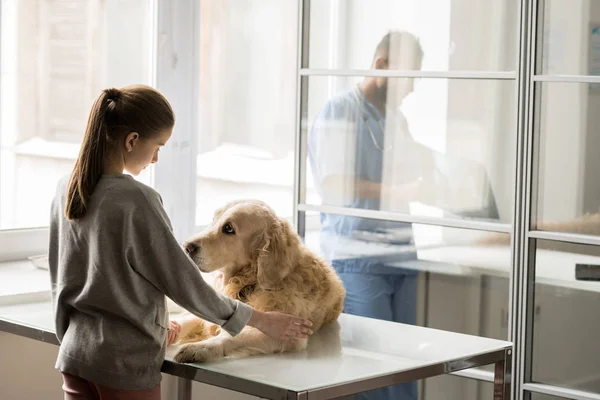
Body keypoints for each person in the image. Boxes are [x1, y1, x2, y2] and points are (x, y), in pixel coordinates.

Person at [49, 85, 313, 400]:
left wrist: (155, 326)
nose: (157, 158)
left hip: (75, 356)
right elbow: (184, 283)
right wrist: (263, 320)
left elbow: (61, 278)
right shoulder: (137, 200)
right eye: (158, 146)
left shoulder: (66, 187)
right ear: (132, 140)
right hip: (123, 364)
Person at [308, 31, 426, 400]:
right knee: (371, 371)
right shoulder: (340, 111)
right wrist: (393, 191)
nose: (412, 89)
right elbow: (334, 182)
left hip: (401, 256)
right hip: (358, 259)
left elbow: (410, 173)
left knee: (409, 366)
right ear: (381, 64)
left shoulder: (397, 120)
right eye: (409, 77)